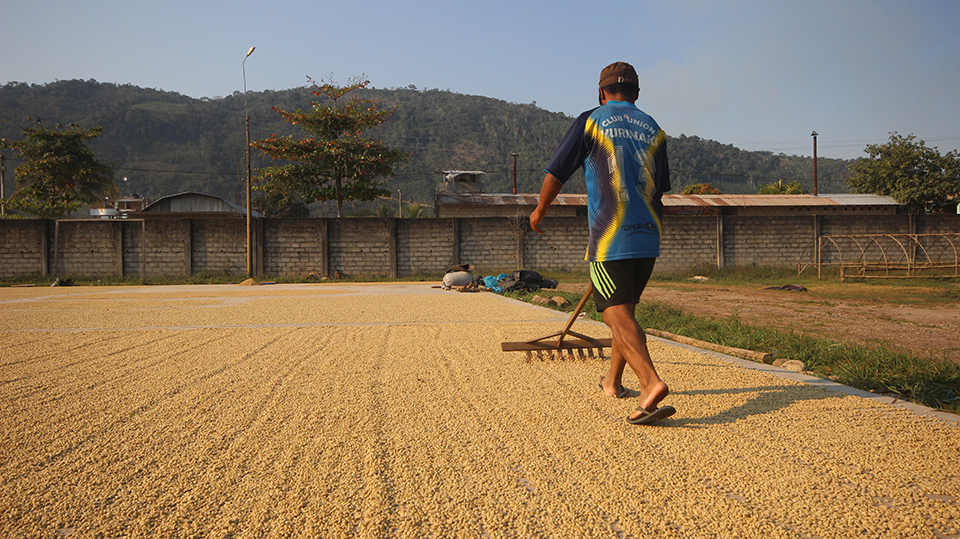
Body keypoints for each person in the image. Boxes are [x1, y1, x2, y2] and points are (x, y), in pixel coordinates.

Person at [529, 61, 674, 425]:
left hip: (611, 235)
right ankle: (612, 381)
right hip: (649, 234)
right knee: (624, 311)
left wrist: (539, 211)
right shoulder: (655, 128)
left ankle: (650, 383)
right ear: (637, 93)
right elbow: (661, 190)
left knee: (614, 312)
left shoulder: (591, 120)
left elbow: (556, 172)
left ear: (601, 92)